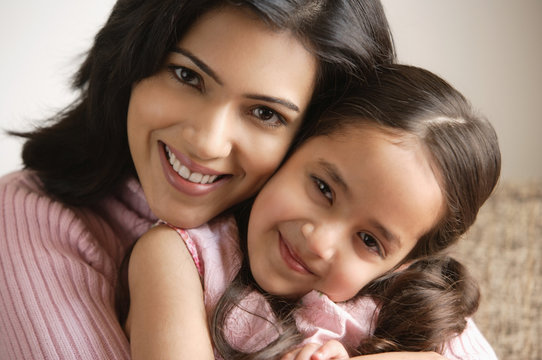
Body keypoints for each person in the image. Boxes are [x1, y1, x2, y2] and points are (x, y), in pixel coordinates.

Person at [0, 1, 396, 359]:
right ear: (132, 61)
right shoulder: (26, 214)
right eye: (187, 75)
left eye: (264, 114)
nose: (207, 142)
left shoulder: (339, 244)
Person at [123, 64, 501, 359]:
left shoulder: (406, 307)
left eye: (369, 241)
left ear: (402, 264)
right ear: (293, 147)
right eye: (323, 188)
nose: (318, 241)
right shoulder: (183, 258)